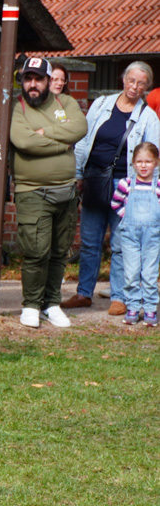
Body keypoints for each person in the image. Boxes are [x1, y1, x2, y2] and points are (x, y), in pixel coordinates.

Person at [67, 61, 159, 316]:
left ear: (146, 87)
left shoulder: (148, 117)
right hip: (95, 179)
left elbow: (154, 155)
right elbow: (85, 139)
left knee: (121, 243)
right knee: (89, 241)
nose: (135, 86)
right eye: (131, 80)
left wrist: (150, 189)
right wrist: (78, 173)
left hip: (127, 186)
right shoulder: (101, 104)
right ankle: (84, 293)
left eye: (141, 83)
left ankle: (119, 297)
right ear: (123, 79)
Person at [10, 56, 87, 329]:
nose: (33, 84)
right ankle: (31, 305)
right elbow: (23, 141)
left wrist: (47, 132)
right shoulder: (16, 107)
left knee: (58, 251)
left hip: (66, 192)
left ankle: (51, 303)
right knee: (36, 251)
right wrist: (62, 142)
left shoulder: (66, 103)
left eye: (38, 79)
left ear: (47, 81)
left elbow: (79, 128)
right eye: (28, 78)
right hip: (32, 191)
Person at [110, 143, 160, 326]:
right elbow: (116, 204)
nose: (144, 165)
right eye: (139, 162)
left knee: (149, 272)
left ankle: (150, 308)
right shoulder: (127, 184)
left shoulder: (158, 186)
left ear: (156, 163)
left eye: (148, 161)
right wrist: (127, 217)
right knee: (131, 272)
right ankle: (132, 305)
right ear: (133, 163)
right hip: (130, 236)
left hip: (152, 237)